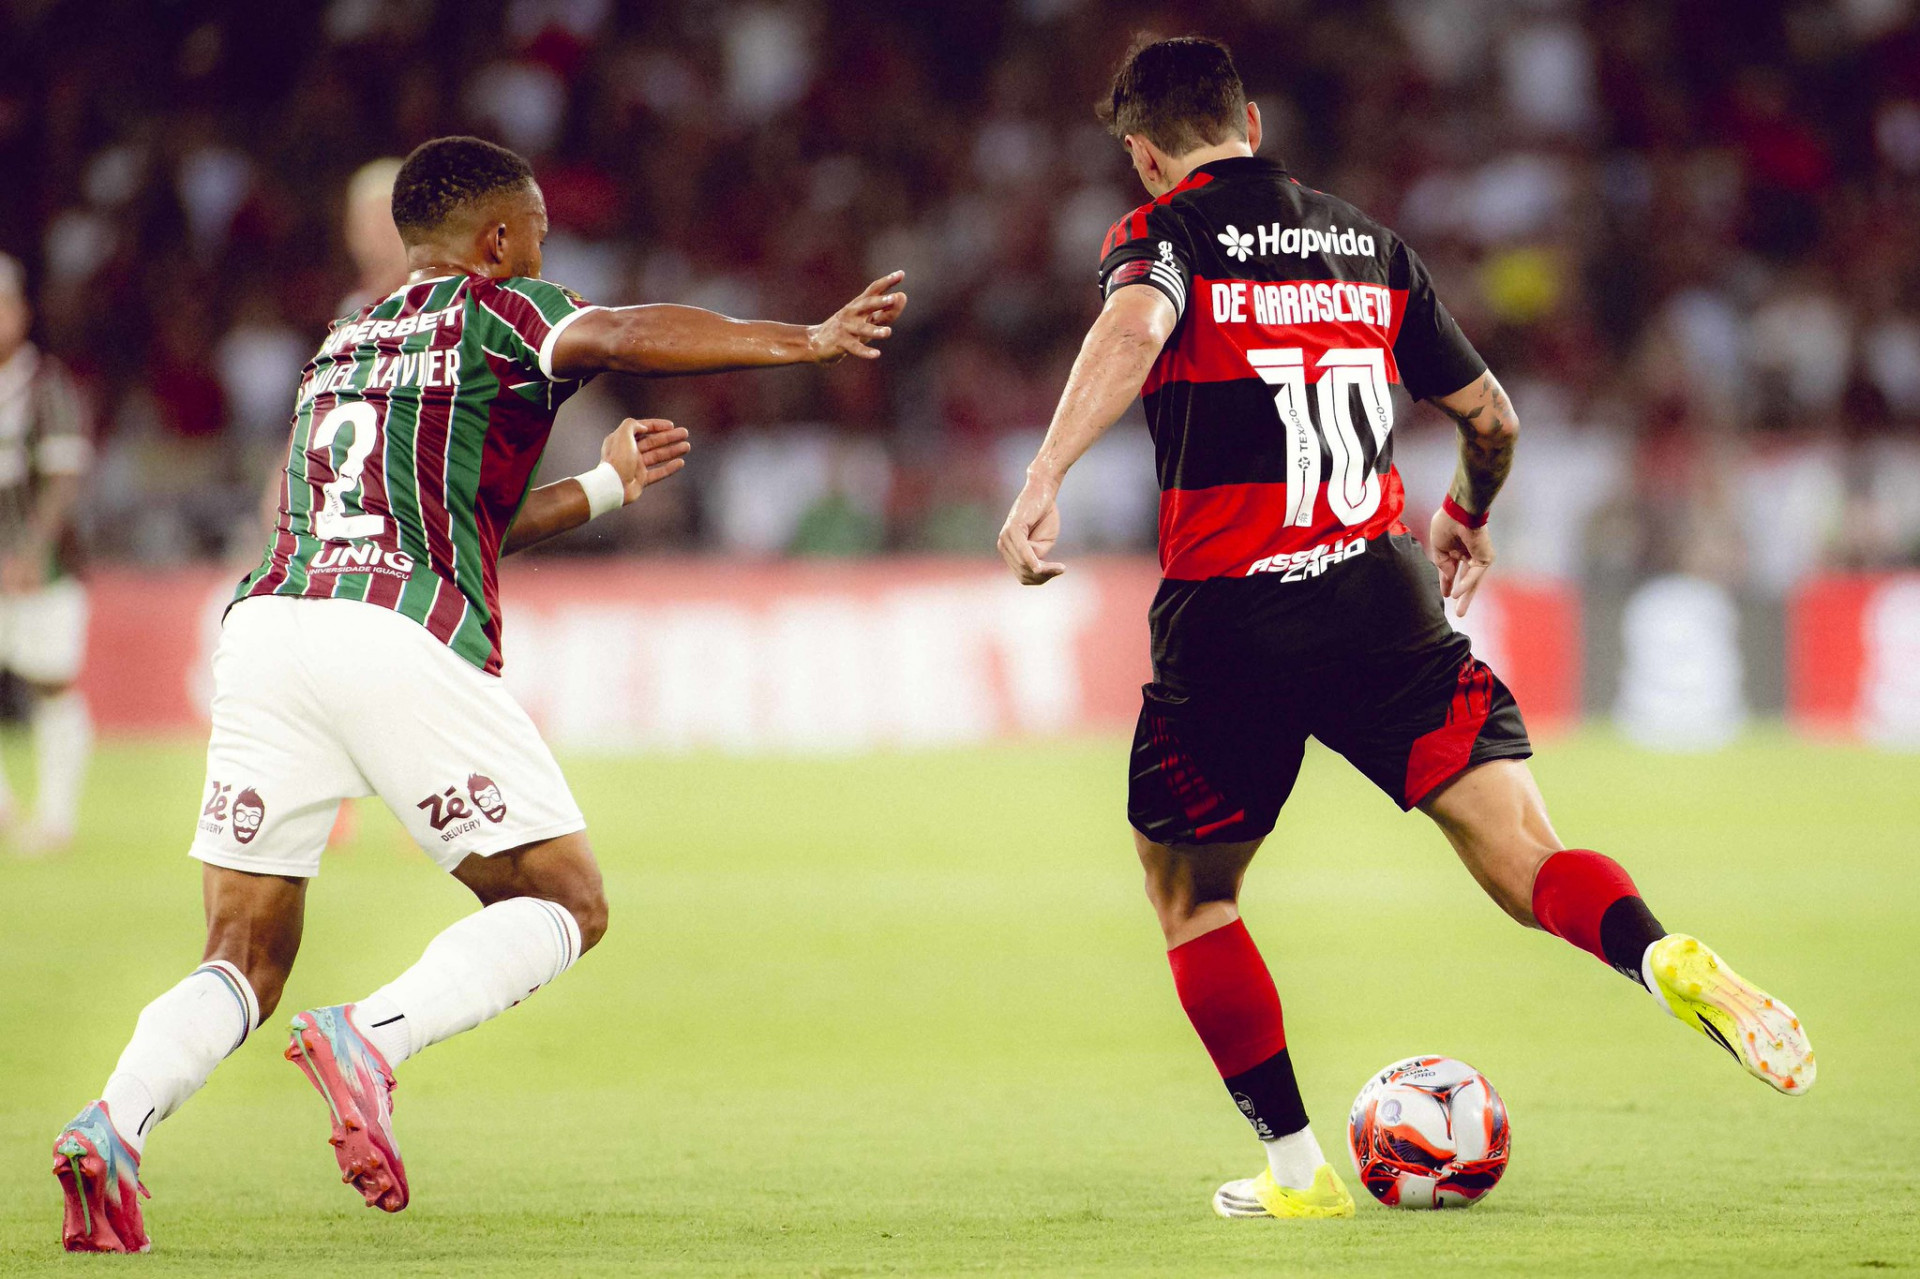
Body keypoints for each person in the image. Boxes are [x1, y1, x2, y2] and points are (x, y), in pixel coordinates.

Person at [997, 37, 1813, 1222]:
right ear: (1254, 122)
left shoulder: (1160, 235)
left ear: (1143, 155)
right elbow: (1495, 419)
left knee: (1198, 900)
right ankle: (1657, 954)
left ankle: (1297, 1174)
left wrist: (1042, 476)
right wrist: (1465, 516)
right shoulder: (1367, 244)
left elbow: (1131, 332)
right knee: (1526, 855)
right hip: (1384, 594)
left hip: (1232, 616)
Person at [51, 135, 908, 1253]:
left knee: (242, 955)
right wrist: (806, 340)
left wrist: (601, 488)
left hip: (269, 628)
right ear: (496, 239)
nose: (552, 259)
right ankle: (373, 1037)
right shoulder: (496, 310)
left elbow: (458, 520)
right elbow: (621, 329)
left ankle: (113, 1123)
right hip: (390, 633)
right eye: (541, 237)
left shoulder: (344, 340)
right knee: (564, 900)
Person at [0, 254, 94, 856]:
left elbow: (64, 477)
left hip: (44, 571)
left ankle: (56, 816)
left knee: (50, 683)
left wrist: (31, 550)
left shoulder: (46, 385)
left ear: (19, 313)